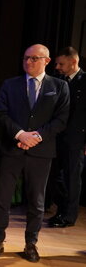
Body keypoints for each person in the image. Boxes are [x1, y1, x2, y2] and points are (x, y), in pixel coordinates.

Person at [0, 44, 70, 262]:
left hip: (41, 152)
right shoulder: (10, 84)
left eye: (34, 58)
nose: (28, 62)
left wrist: (36, 137)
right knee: (2, 198)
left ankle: (31, 243)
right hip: (11, 149)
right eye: (26, 58)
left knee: (36, 201)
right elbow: (1, 113)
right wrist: (21, 134)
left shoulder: (59, 86)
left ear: (46, 61)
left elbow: (61, 120)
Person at [47, 46, 85, 228]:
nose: (57, 67)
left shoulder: (85, 81)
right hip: (58, 136)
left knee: (71, 177)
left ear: (73, 62)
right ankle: (60, 211)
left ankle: (69, 216)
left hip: (76, 139)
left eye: (61, 64)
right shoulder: (60, 81)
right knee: (57, 177)